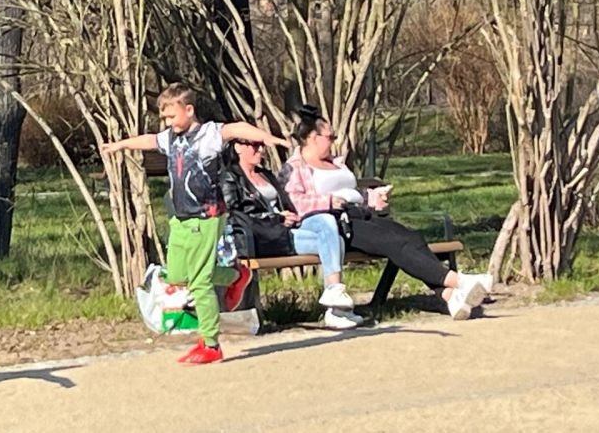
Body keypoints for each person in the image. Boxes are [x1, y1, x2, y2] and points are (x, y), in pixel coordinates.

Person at [101, 82, 291, 364]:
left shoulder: (209, 134)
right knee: (177, 276)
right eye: (164, 117)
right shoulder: (170, 138)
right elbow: (149, 140)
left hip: (207, 217)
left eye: (172, 116)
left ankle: (211, 344)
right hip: (181, 219)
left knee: (200, 282)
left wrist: (268, 137)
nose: (168, 122)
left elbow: (236, 128)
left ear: (189, 110)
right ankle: (236, 275)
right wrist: (120, 145)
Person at [280, 106, 492, 320]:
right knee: (393, 243)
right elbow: (293, 202)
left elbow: (354, 193)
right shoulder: (296, 167)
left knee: (411, 237)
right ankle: (460, 282)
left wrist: (374, 198)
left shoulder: (335, 162)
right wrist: (328, 201)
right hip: (336, 225)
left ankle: (450, 296)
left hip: (361, 215)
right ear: (313, 138)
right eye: (330, 137)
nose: (334, 141)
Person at [220, 138, 363, 329]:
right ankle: (337, 309)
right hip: (261, 238)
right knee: (332, 241)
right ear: (238, 147)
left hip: (284, 231)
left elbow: (286, 202)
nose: (260, 150)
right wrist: (276, 218)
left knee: (329, 226)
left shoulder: (265, 174)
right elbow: (234, 214)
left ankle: (334, 299)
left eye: (261, 146)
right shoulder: (230, 177)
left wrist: (292, 215)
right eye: (254, 146)